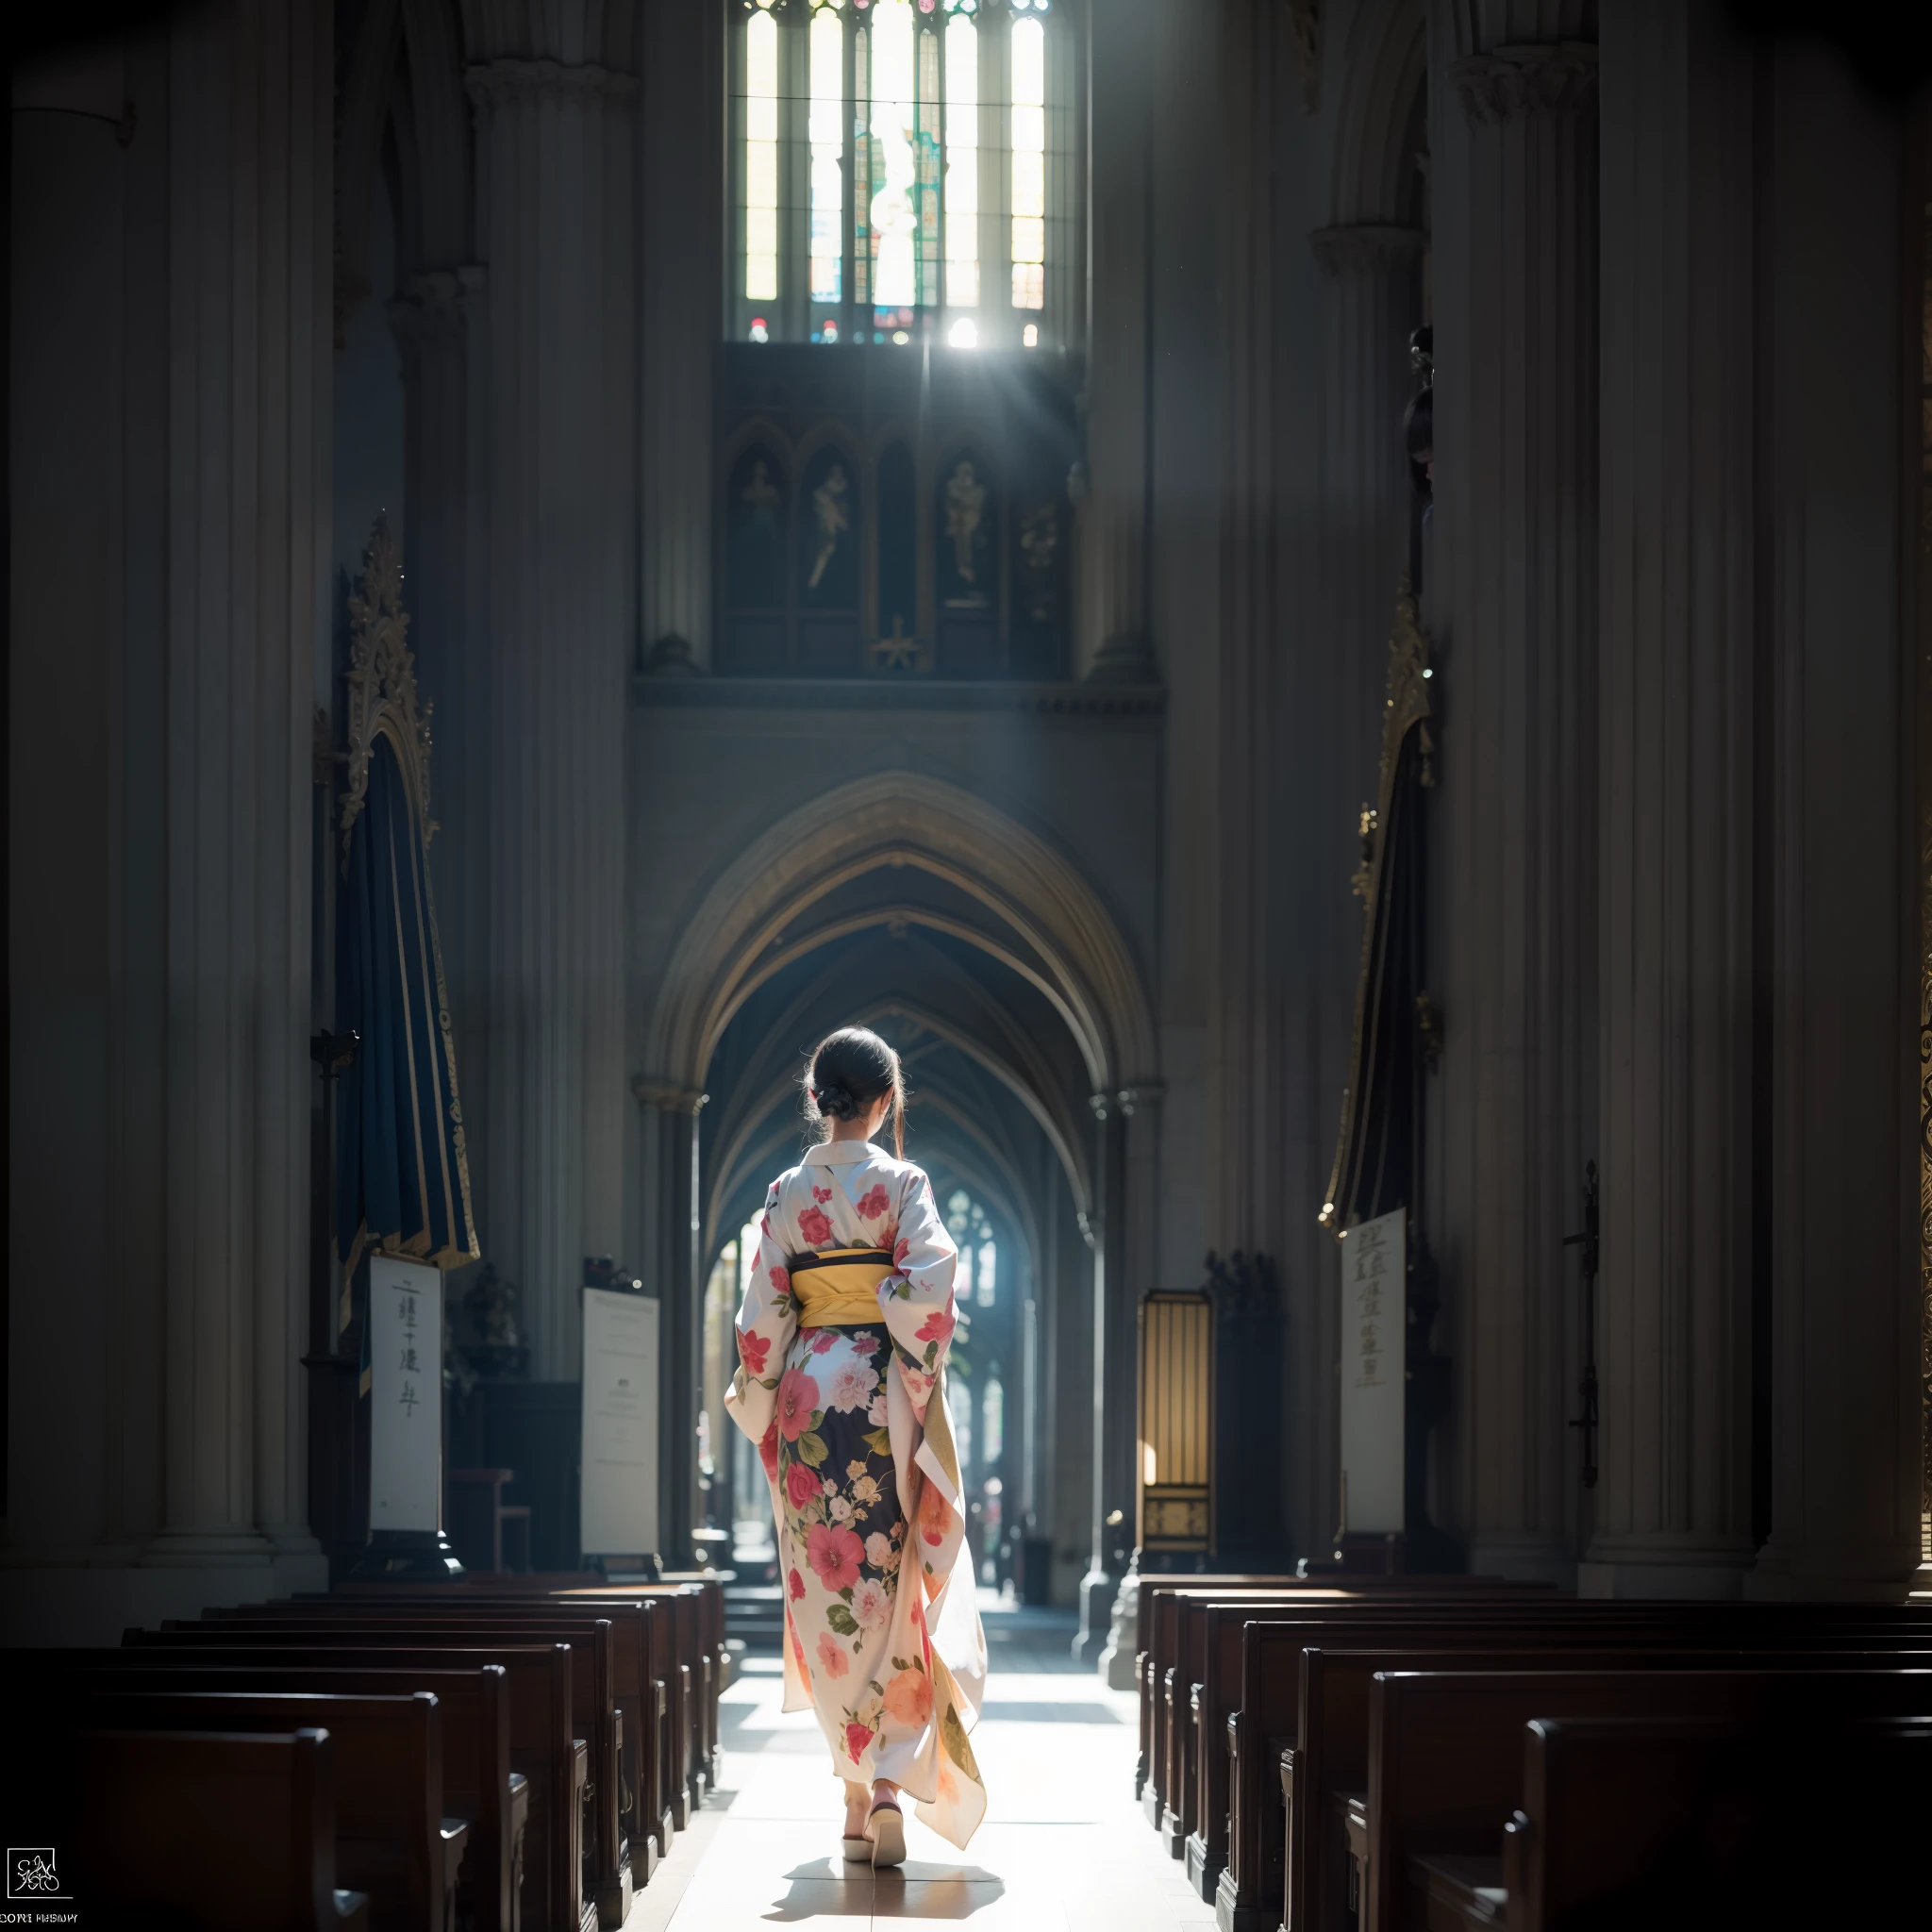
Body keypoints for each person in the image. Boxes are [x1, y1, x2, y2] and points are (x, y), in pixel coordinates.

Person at [724, 1026, 988, 1867]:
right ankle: (885, 1793)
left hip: (807, 1397)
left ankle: (848, 1798)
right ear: (885, 1102)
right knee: (891, 1583)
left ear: (817, 1101)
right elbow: (933, 1284)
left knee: (825, 1593)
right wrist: (891, 1326)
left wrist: (763, 1396)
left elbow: (762, 1318)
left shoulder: (783, 1191)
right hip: (880, 1395)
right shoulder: (903, 1181)